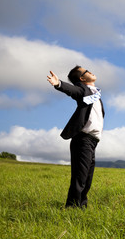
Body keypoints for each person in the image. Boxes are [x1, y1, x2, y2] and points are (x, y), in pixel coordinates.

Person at [47, 66, 105, 208]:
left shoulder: (95, 94)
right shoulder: (83, 90)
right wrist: (59, 84)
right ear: (82, 79)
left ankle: (81, 207)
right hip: (82, 139)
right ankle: (71, 208)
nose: (91, 71)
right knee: (80, 177)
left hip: (92, 141)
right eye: (87, 71)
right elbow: (74, 91)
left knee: (87, 178)